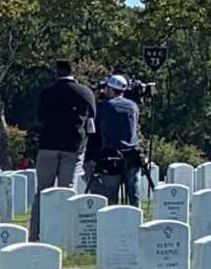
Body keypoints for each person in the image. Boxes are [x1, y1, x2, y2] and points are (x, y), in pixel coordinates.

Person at [32, 61, 94, 237]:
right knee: (67, 191)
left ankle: (36, 233)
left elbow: (39, 117)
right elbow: (92, 119)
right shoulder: (85, 93)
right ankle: (66, 235)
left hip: (48, 145)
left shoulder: (46, 93)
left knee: (43, 192)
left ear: (56, 72)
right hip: (73, 147)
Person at [90, 74, 143, 205]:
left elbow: (95, 126)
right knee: (134, 194)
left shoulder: (104, 107)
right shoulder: (133, 106)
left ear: (111, 89)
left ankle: (113, 221)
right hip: (132, 156)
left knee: (111, 196)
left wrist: (97, 96)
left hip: (111, 157)